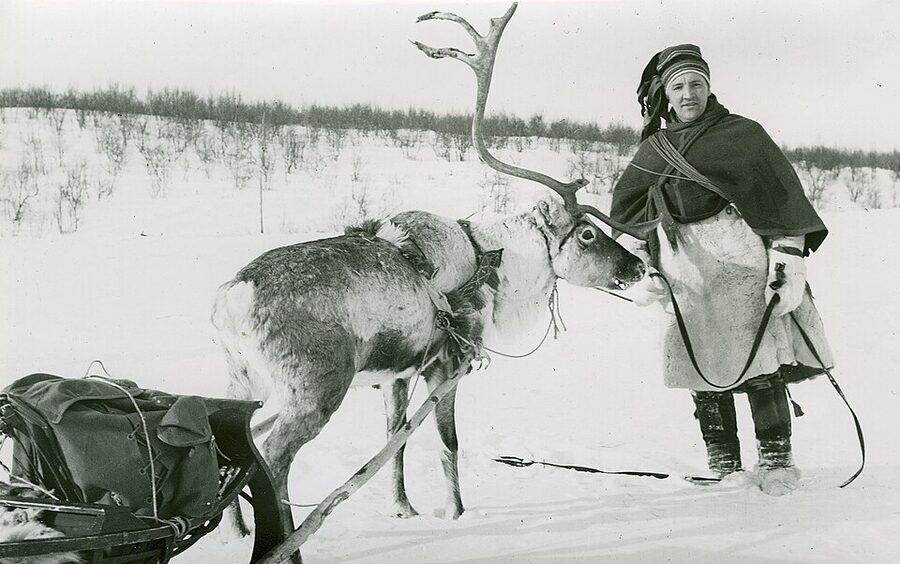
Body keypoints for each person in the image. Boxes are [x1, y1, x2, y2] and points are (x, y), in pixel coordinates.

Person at [611, 44, 834, 496]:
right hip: (684, 266)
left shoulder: (744, 135)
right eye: (678, 86)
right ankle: (724, 463)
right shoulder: (653, 149)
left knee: (759, 360)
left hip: (741, 260)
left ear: (709, 87)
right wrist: (642, 266)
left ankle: (776, 461)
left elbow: (781, 198)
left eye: (697, 83)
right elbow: (629, 212)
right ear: (665, 96)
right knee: (700, 363)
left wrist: (788, 260)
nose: (689, 93)